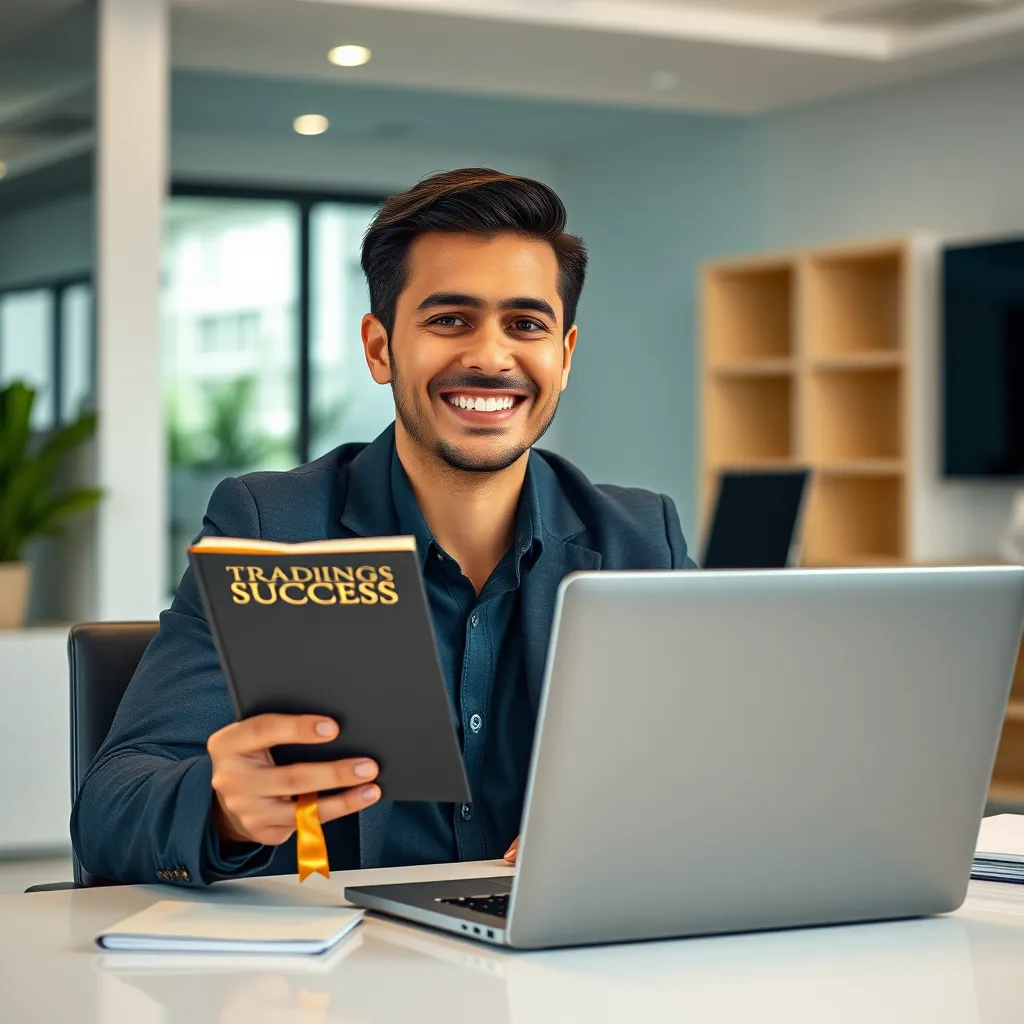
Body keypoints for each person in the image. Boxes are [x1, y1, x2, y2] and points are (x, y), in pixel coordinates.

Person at [71, 168, 696, 886]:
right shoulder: (273, 525)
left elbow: (723, 770)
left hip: (559, 974)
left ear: (564, 356)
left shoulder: (643, 540)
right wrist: (223, 809)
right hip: (341, 981)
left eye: (526, 324)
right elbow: (110, 808)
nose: (491, 358)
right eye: (449, 320)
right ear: (379, 348)